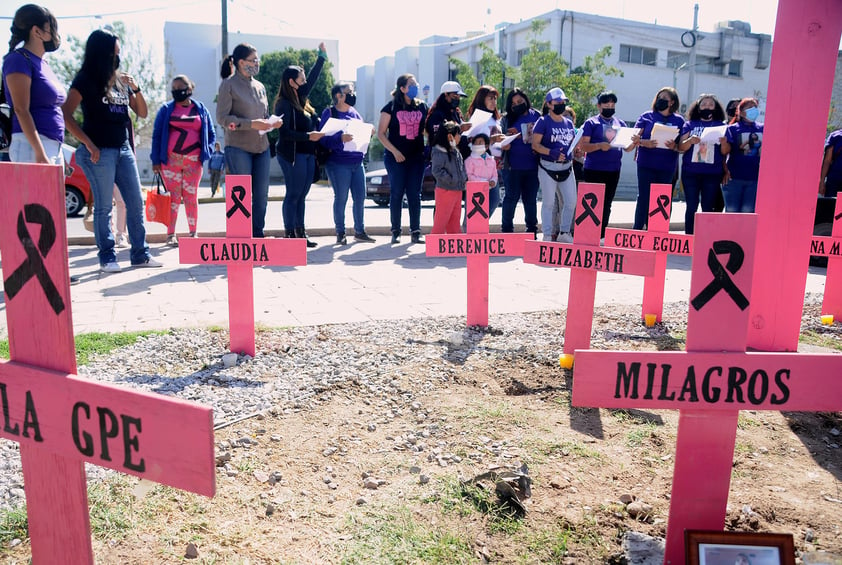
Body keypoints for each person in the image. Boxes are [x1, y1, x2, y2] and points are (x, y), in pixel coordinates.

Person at [62, 28, 161, 272]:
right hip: (99, 151)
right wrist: (88, 143)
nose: (117, 57)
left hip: (123, 148)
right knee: (104, 206)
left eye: (118, 52)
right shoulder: (85, 79)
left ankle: (140, 254)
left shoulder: (120, 79)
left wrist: (135, 88)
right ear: (101, 52)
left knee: (135, 203)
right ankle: (107, 256)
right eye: (113, 52)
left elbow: (142, 112)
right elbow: (65, 114)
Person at [216, 43, 283, 238]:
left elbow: (263, 115)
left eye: (257, 60)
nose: (257, 63)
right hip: (238, 148)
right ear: (241, 62)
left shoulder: (260, 86)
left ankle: (257, 234)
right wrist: (251, 124)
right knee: (240, 195)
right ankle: (240, 237)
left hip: (262, 147)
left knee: (261, 195)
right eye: (253, 60)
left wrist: (271, 123)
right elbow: (222, 118)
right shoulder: (228, 85)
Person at [151, 74, 216, 246]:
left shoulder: (200, 109)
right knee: (173, 198)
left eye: (179, 89)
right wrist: (155, 160)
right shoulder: (166, 110)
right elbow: (157, 136)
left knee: (191, 196)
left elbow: (211, 133)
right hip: (170, 162)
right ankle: (170, 234)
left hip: (194, 163)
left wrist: (206, 152)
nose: (176, 92)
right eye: (173, 89)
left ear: (189, 90)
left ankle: (193, 232)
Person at [274, 42, 328, 247]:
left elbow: (313, 78)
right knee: (294, 194)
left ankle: (300, 234)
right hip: (292, 154)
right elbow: (285, 133)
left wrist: (321, 58)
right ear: (292, 82)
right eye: (301, 78)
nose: (305, 81)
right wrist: (308, 137)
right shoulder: (283, 103)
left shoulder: (302, 98)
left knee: (303, 194)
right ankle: (290, 234)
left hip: (307, 154)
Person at [2, 4, 62, 165]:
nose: (56, 34)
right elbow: (21, 109)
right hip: (31, 147)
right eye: (51, 28)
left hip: (51, 145)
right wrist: (40, 153)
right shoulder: (18, 59)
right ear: (37, 31)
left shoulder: (43, 63)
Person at [318, 81, 375, 245]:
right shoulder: (329, 113)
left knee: (360, 197)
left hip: (357, 163)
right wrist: (339, 138)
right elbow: (322, 139)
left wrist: (369, 133)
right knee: (341, 197)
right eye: (349, 92)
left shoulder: (355, 113)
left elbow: (361, 134)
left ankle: (359, 231)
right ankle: (340, 232)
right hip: (338, 163)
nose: (352, 94)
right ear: (339, 95)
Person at [377, 73, 428, 244]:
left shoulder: (422, 107)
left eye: (416, 83)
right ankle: (396, 231)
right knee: (397, 193)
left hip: (416, 158)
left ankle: (415, 231)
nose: (415, 87)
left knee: (415, 194)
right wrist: (395, 152)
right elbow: (381, 134)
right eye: (411, 84)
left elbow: (426, 130)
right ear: (402, 88)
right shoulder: (390, 107)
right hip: (395, 158)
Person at [579, 91, 633, 239]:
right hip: (594, 169)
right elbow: (583, 146)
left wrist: (634, 141)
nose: (610, 107)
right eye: (606, 104)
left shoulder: (620, 124)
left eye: (612, 104)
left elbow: (627, 148)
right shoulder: (591, 123)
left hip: (613, 170)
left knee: (607, 203)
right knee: (592, 203)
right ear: (599, 106)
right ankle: (588, 233)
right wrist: (598, 146)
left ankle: (601, 234)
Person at [631, 86, 685, 230]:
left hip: (666, 167)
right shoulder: (646, 116)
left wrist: (674, 145)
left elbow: (682, 146)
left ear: (672, 102)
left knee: (662, 200)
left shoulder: (679, 120)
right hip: (646, 164)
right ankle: (637, 230)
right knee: (644, 197)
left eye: (665, 98)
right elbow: (633, 138)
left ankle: (657, 232)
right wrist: (644, 142)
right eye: (659, 97)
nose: (660, 101)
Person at [677, 94, 727, 234]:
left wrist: (723, 143)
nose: (707, 107)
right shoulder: (689, 124)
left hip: (712, 174)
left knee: (707, 207)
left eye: (711, 104)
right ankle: (689, 237)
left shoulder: (722, 126)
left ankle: (705, 239)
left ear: (715, 108)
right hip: (691, 173)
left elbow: (725, 152)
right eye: (704, 104)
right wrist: (689, 141)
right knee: (691, 206)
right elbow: (681, 148)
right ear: (698, 107)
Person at [532, 87, 576, 242]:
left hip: (566, 167)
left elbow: (571, 142)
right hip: (548, 167)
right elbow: (535, 144)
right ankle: (547, 234)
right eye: (558, 102)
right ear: (549, 104)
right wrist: (551, 152)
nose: (561, 104)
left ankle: (564, 233)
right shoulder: (543, 122)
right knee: (549, 202)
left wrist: (571, 151)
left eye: (563, 102)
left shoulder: (569, 123)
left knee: (571, 201)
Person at [499, 88, 540, 235]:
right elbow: (498, 137)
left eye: (520, 101)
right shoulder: (506, 119)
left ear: (526, 100)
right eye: (514, 103)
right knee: (511, 198)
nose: (517, 105)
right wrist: (506, 139)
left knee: (530, 200)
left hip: (533, 166)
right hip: (512, 167)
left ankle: (532, 231)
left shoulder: (537, 115)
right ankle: (507, 231)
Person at [465, 85, 504, 215]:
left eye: (495, 98)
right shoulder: (477, 118)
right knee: (476, 202)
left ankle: (480, 227)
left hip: (493, 165)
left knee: (494, 200)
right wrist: (491, 140)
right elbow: (472, 142)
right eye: (490, 98)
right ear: (482, 99)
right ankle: (471, 229)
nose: (494, 102)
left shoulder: (495, 119)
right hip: (478, 166)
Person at [720, 97, 763, 213]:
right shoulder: (732, 129)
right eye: (749, 108)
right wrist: (724, 171)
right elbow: (724, 153)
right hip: (734, 178)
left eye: (755, 107)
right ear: (741, 111)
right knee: (732, 211)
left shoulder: (763, 128)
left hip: (754, 179)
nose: (753, 110)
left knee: (748, 212)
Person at [430, 120, 467, 234]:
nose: (460, 137)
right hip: (445, 191)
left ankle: (456, 249)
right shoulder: (438, 151)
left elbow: (461, 169)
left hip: (457, 190)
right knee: (441, 222)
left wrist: (463, 180)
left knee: (454, 222)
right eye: (458, 134)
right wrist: (452, 180)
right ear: (450, 136)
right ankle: (435, 248)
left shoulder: (456, 151)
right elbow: (437, 171)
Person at [425, 80, 468, 145]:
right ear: (445, 95)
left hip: (454, 151)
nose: (457, 99)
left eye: (459, 97)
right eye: (454, 96)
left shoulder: (456, 112)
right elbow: (436, 133)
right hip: (439, 151)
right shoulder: (436, 113)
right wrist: (459, 128)